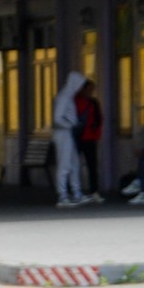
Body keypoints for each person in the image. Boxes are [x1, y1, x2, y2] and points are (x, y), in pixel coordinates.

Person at [50, 70, 94, 208]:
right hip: (64, 134)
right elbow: (57, 118)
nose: (81, 88)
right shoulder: (64, 97)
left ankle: (77, 193)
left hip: (67, 134)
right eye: (80, 84)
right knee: (65, 165)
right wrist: (72, 124)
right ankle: (62, 195)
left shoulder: (68, 96)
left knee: (74, 164)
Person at [74, 78, 103, 198]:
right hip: (77, 138)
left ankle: (94, 191)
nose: (91, 91)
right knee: (74, 165)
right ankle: (75, 190)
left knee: (92, 165)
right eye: (89, 89)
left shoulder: (94, 103)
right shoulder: (75, 101)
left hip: (90, 138)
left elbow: (99, 119)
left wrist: (96, 134)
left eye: (92, 89)